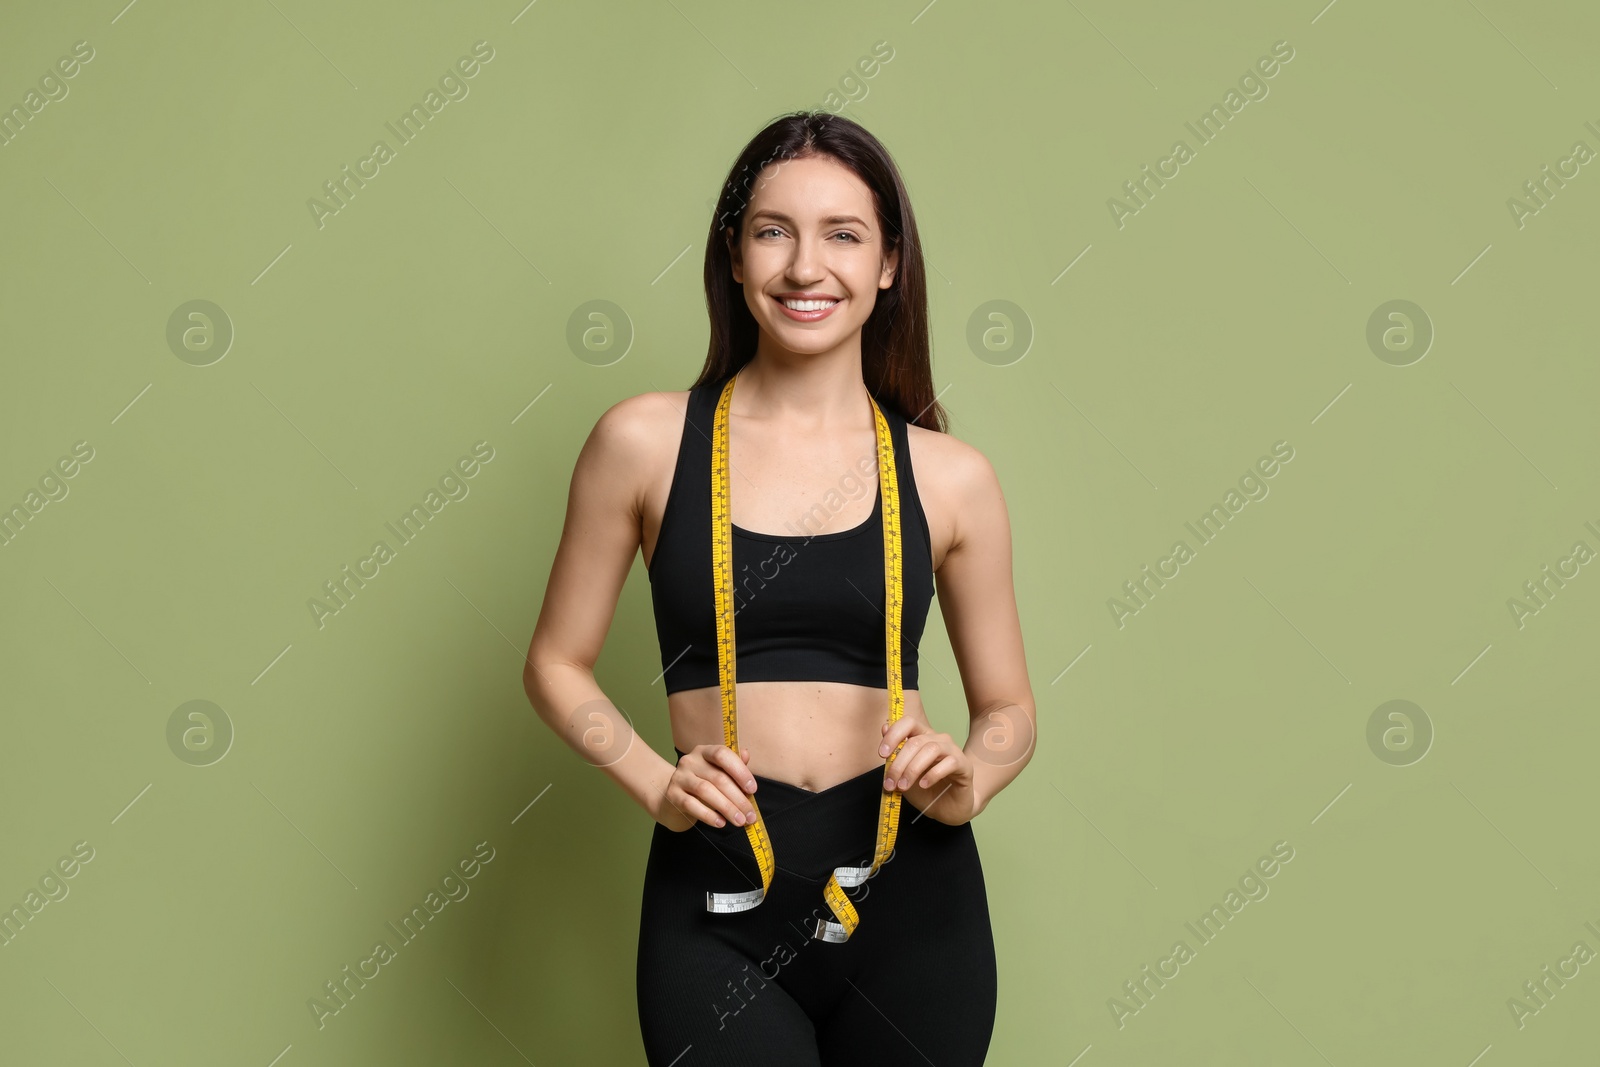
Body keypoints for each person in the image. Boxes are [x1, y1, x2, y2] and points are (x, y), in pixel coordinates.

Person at [522, 111, 1035, 1066]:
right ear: (734, 254)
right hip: (716, 892)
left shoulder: (951, 475)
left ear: (888, 264)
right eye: (773, 230)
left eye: (843, 234)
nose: (806, 267)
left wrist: (973, 779)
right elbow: (555, 664)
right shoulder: (643, 442)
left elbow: (1009, 710)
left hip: (913, 898)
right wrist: (655, 785)